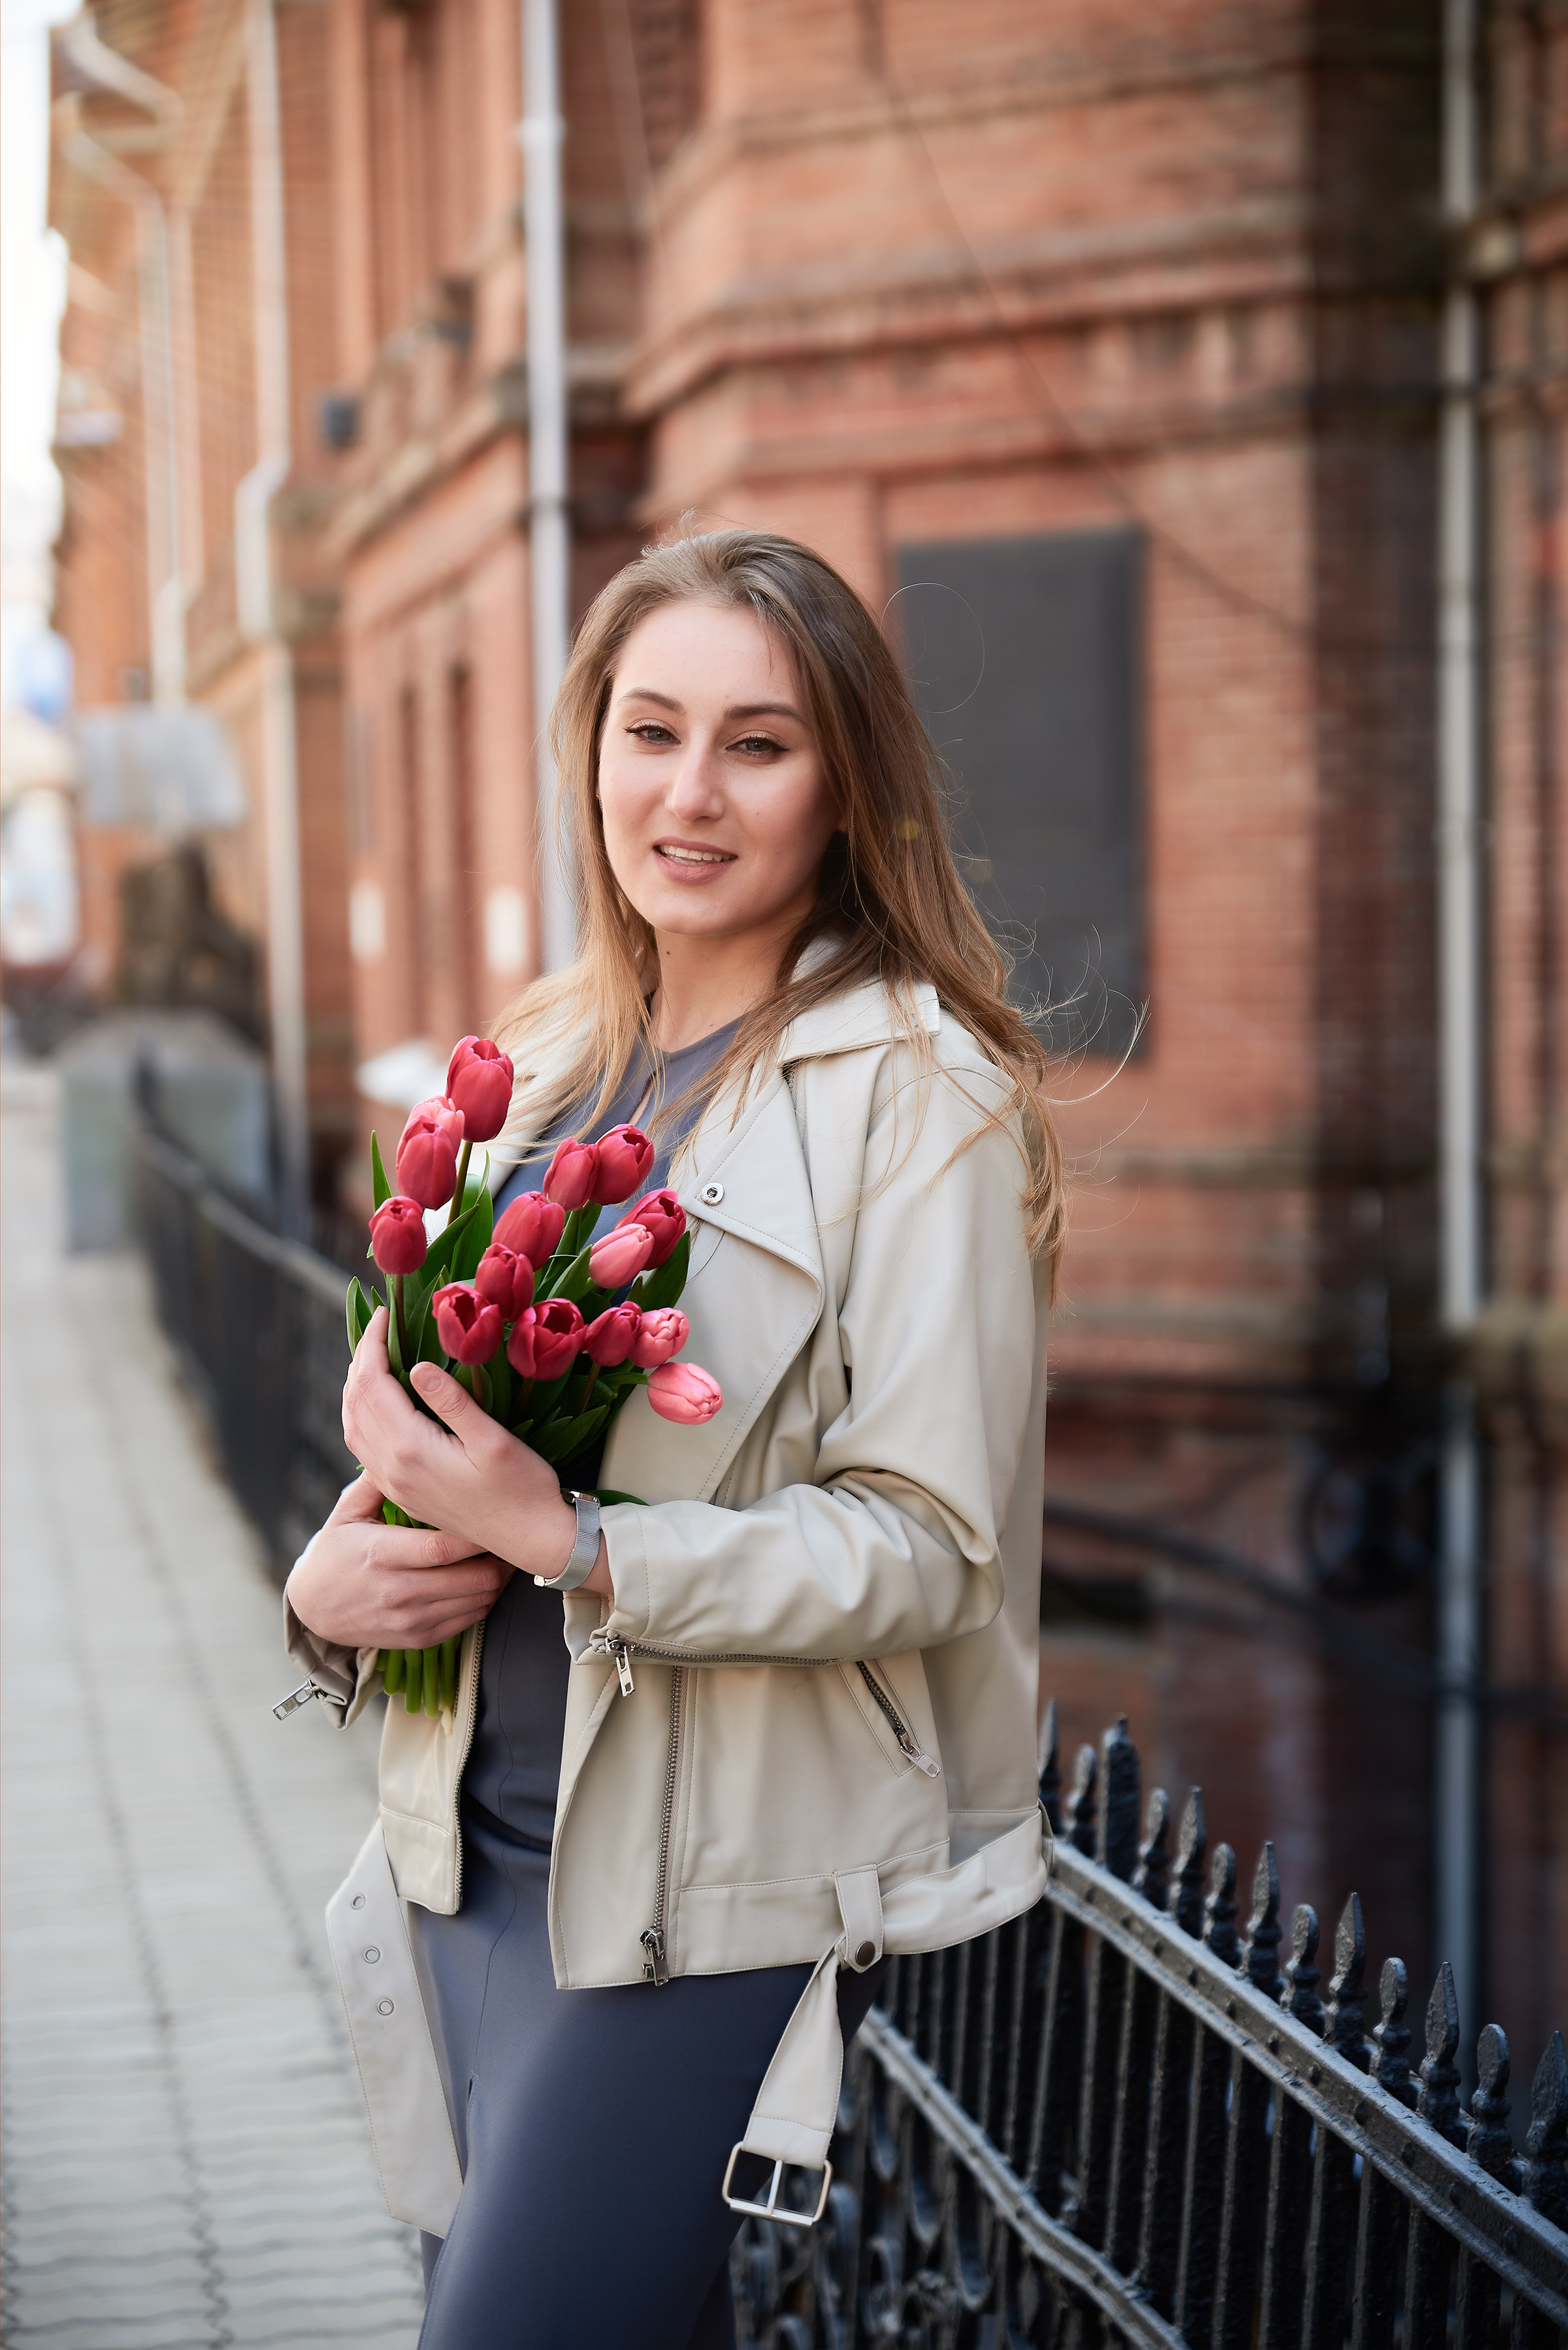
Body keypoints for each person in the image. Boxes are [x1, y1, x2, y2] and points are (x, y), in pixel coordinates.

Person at [284, 529, 1065, 2349]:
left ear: (844, 787)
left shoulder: (920, 1095)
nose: (688, 793)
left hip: (694, 1902)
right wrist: (330, 1584)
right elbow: (464, 1439)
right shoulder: (547, 1063)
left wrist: (584, 1548)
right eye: (650, 731)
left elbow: (932, 1546)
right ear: (592, 751)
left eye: (756, 744)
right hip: (465, 1853)